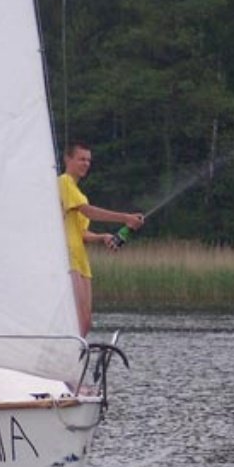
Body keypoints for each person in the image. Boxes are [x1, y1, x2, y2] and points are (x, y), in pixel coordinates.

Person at [59, 141, 145, 337]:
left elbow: (82, 233)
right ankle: (68, 351)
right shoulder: (64, 182)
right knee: (77, 318)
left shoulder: (80, 195)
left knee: (86, 321)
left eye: (88, 160)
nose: (86, 164)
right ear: (67, 159)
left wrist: (103, 237)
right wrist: (125, 218)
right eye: (81, 159)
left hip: (82, 261)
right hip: (69, 257)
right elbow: (88, 211)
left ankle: (77, 352)